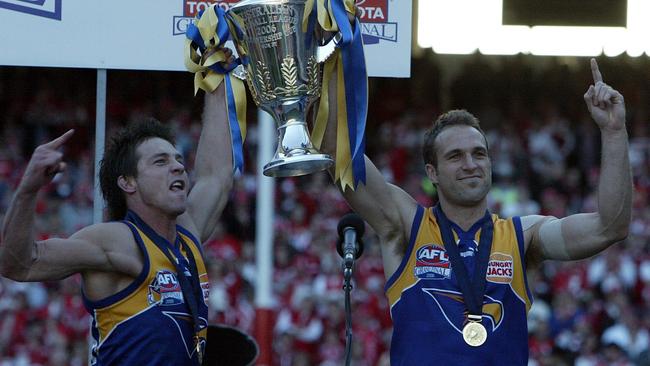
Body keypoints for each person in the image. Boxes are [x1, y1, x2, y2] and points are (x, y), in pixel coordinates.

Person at [321, 59, 631, 365]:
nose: (471, 164)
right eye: (455, 156)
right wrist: (326, 60)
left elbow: (609, 227)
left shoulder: (522, 237)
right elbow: (340, 153)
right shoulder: (408, 226)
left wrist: (614, 131)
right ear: (433, 172)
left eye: (479, 154)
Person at [0, 77, 234, 364]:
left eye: (177, 159)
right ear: (128, 183)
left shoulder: (187, 235)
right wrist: (28, 189)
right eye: (160, 162)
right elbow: (19, 264)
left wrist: (216, 78)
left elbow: (216, 175)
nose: (178, 166)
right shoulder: (117, 241)